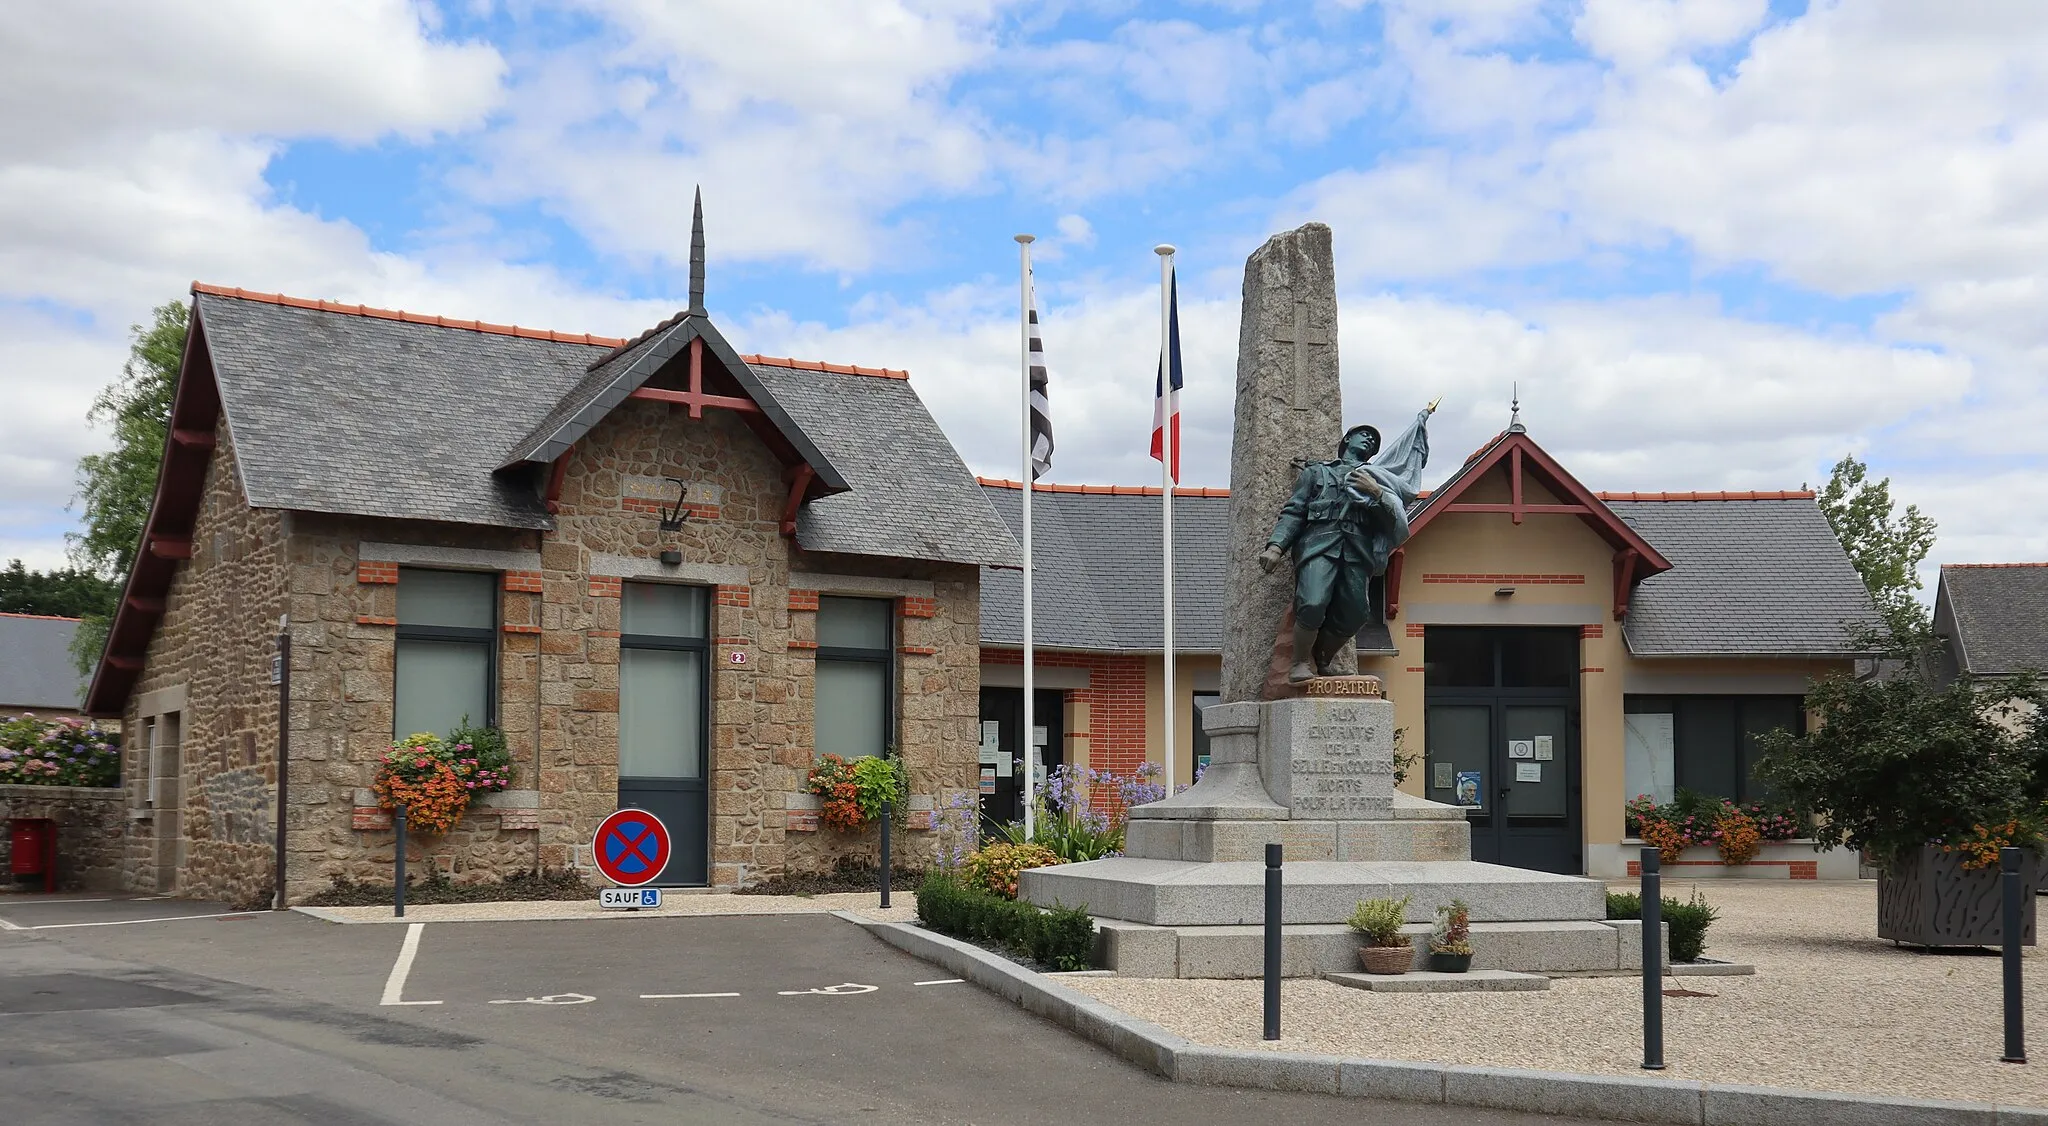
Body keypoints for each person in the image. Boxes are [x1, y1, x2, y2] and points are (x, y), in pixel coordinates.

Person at [1257, 405, 1434, 683]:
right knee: (1313, 601)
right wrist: (1276, 547)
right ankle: (1299, 662)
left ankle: (1323, 657)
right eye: (1363, 435)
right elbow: (1294, 511)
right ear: (1347, 440)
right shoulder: (1317, 473)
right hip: (1319, 544)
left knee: (1356, 612)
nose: (1369, 441)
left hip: (1356, 549)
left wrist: (1376, 494)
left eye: (1374, 441)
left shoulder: (1378, 479)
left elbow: (1390, 521)